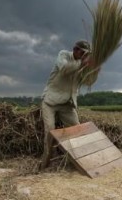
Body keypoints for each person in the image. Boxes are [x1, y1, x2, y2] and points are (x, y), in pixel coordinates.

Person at [40, 40, 98, 169]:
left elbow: (88, 82)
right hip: (51, 101)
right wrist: (82, 64)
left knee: (76, 129)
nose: (83, 56)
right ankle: (46, 161)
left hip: (67, 103)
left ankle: (78, 158)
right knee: (50, 130)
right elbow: (64, 70)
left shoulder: (82, 64)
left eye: (86, 54)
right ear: (75, 49)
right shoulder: (64, 55)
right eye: (82, 53)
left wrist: (94, 69)